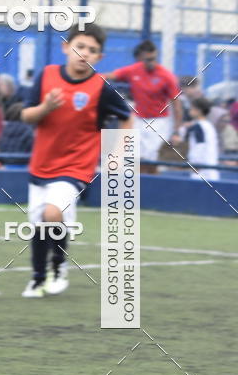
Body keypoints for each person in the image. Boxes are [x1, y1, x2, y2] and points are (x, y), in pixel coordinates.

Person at [21, 23, 132, 298]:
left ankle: (58, 267)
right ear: (65, 48)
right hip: (41, 165)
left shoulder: (101, 88)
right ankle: (37, 277)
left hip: (76, 168)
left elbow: (128, 118)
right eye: (80, 47)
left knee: (51, 213)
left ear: (100, 58)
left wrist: (118, 153)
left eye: (92, 51)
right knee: (40, 224)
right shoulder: (46, 76)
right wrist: (46, 107)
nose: (84, 54)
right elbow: (26, 115)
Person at [104, 40, 182, 173]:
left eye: (153, 58)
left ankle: (151, 187)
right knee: (132, 159)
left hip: (159, 122)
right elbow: (110, 76)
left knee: (152, 161)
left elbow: (177, 105)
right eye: (148, 59)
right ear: (141, 58)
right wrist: (89, 78)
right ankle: (139, 188)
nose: (151, 62)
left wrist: (176, 131)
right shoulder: (133, 70)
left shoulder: (167, 76)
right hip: (138, 121)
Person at [181, 97, 219, 181]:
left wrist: (196, 164)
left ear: (198, 110)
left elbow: (199, 146)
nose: (189, 111)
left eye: (191, 108)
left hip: (201, 171)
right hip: (210, 169)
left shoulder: (199, 126)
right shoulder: (208, 125)